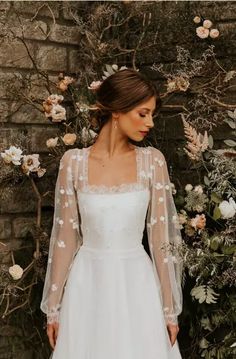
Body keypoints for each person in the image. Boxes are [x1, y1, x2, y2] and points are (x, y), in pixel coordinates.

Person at [40, 68, 183, 359]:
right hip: (87, 285)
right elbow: (66, 237)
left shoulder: (152, 162)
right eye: (143, 114)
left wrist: (169, 311)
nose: (150, 123)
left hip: (137, 285)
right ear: (117, 111)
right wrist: (53, 307)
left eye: (152, 114)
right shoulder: (73, 163)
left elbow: (161, 241)